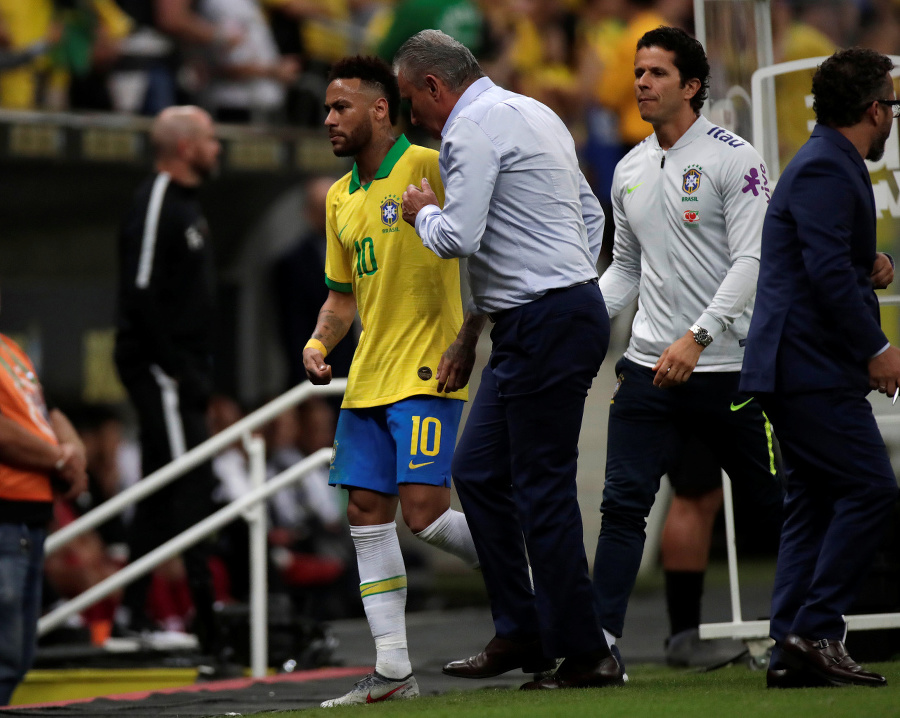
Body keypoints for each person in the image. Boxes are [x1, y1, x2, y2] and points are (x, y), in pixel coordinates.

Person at [397, 30, 621, 690]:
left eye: (412, 102)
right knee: (478, 471)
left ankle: (585, 653)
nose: (415, 118)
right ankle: (522, 631)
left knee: (542, 489)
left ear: (435, 88)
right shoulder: (536, 112)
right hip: (551, 312)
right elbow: (588, 212)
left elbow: (459, 236)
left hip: (544, 320)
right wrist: (479, 328)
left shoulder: (466, 133)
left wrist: (421, 212)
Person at [589, 26, 784, 668]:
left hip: (728, 369)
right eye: (639, 72)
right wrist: (583, 318)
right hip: (648, 369)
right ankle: (602, 648)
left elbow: (753, 259)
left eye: (657, 73)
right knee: (622, 505)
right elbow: (625, 266)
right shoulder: (629, 169)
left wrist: (696, 337)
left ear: (691, 86)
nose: (641, 82)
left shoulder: (737, 159)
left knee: (777, 507)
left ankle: (809, 632)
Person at [302, 55, 480, 707]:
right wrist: (321, 341)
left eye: (340, 107)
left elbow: (478, 242)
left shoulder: (429, 166)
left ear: (380, 109)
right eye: (326, 108)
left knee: (425, 515)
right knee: (364, 513)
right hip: (368, 377)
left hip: (430, 367)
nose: (328, 119)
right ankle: (392, 670)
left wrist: (473, 332)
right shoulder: (340, 198)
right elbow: (341, 297)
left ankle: (526, 571)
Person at [741, 47, 900, 689]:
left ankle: (790, 650)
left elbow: (829, 260)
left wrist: (870, 266)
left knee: (811, 503)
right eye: (892, 106)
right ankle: (818, 628)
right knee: (871, 490)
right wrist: (877, 345)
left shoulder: (828, 164)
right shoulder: (828, 168)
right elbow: (825, 271)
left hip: (796, 363)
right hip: (807, 366)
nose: (893, 117)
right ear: (871, 109)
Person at [113, 105, 225, 663]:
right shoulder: (157, 198)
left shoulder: (189, 205)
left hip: (184, 371)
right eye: (209, 138)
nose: (218, 146)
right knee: (189, 483)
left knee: (162, 488)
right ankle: (208, 628)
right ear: (184, 147)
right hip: (160, 370)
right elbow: (139, 291)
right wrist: (175, 370)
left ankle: (133, 614)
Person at [0, 321, 87, 705]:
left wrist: (75, 449)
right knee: (4, 656)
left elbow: (47, 409)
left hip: (29, 518)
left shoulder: (9, 349)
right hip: (4, 517)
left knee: (17, 657)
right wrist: (58, 457)